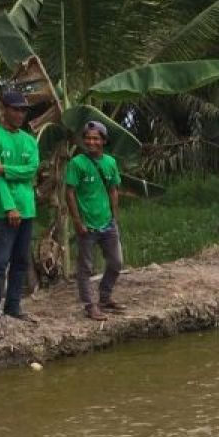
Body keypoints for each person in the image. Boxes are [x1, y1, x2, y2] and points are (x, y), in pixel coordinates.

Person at [0, 90, 40, 330]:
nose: (20, 114)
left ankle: (13, 307)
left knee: (20, 261)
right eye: (15, 109)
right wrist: (9, 207)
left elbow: (31, 170)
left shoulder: (28, 140)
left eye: (23, 110)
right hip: (4, 210)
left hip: (27, 207)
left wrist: (4, 168)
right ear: (4, 109)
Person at [65, 121, 125, 321]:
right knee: (86, 267)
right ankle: (90, 305)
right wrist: (77, 221)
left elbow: (113, 190)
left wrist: (115, 217)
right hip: (87, 225)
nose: (91, 142)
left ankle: (105, 297)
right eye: (88, 138)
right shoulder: (77, 163)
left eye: (96, 138)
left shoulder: (110, 162)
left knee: (116, 262)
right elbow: (70, 193)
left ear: (104, 141)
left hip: (107, 222)